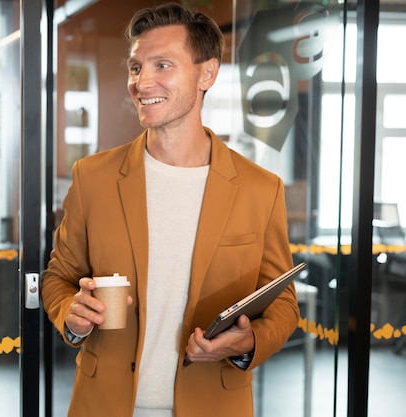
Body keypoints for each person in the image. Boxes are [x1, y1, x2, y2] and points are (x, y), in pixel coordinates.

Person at [41, 3, 300, 417]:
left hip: (214, 403)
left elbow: (282, 301)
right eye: (135, 67)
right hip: (104, 404)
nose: (142, 81)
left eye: (162, 65)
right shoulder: (92, 178)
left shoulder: (260, 189)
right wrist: (70, 315)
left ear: (207, 74)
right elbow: (59, 278)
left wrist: (247, 342)